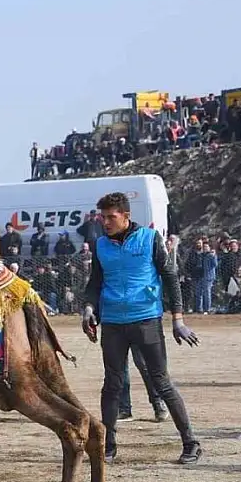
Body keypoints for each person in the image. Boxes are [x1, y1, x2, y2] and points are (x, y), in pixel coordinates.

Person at [81, 192, 202, 464]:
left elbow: (170, 277)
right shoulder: (100, 245)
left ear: (126, 216)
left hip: (146, 318)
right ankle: (107, 446)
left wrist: (178, 319)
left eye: (111, 217)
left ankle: (190, 442)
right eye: (102, 217)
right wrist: (89, 308)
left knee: (161, 382)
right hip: (112, 322)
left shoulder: (150, 239)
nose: (105, 222)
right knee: (112, 384)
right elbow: (95, 283)